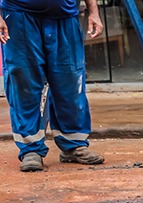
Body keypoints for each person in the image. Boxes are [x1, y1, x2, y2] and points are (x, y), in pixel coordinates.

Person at [0, 0, 106, 172]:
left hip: (65, 16)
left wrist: (93, 11)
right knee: (23, 83)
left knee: (70, 83)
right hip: (19, 15)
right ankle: (31, 149)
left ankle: (73, 145)